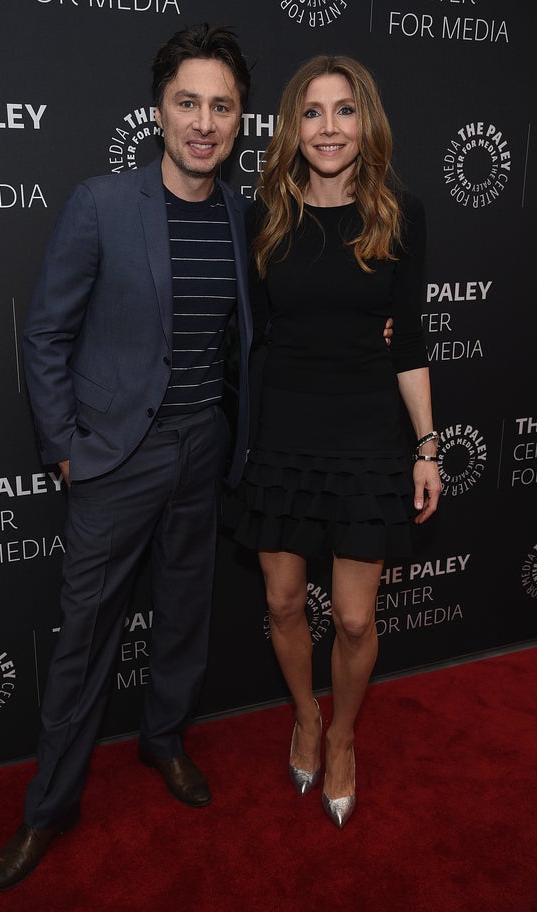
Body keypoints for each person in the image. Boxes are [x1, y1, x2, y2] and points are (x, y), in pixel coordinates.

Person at [0, 24, 254, 892]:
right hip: (114, 462)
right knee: (84, 643)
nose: (203, 122)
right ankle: (49, 806)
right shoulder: (103, 203)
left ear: (240, 118)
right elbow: (48, 333)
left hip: (202, 448)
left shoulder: (243, 214)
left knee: (184, 615)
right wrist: (65, 450)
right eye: (188, 103)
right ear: (159, 111)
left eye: (221, 105)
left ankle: (164, 740)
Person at [229, 54, 442, 829]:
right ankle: (306, 718)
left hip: (364, 435)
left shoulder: (401, 214)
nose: (328, 127)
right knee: (284, 601)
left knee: (353, 620)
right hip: (282, 434)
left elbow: (409, 339)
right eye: (313, 112)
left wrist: (426, 446)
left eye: (344, 110)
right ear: (293, 126)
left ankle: (345, 735)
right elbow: (247, 336)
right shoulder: (263, 217)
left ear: (367, 122)